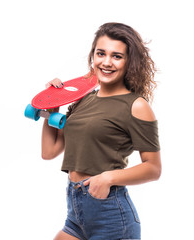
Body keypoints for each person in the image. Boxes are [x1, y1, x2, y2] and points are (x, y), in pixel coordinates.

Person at [42, 22, 161, 240]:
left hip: (111, 216)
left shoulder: (136, 106)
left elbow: (153, 169)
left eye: (117, 56)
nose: (106, 62)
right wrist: (53, 103)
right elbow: (49, 151)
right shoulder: (82, 101)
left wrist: (108, 178)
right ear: (93, 56)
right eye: (101, 53)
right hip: (76, 214)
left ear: (129, 62)